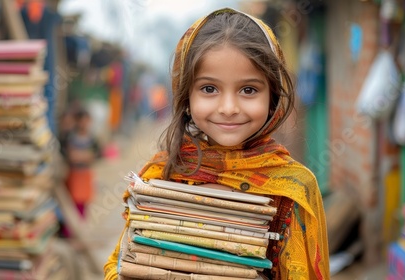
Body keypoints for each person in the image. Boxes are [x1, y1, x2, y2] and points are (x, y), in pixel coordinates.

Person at [104, 7, 330, 280]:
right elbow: (120, 263)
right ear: (186, 94)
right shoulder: (162, 174)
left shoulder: (292, 189)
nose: (228, 107)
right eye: (209, 89)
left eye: (248, 90)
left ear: (272, 95)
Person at [65, 108, 101, 220]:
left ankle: (81, 224)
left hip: (86, 174)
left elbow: (95, 155)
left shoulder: (92, 138)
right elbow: (71, 156)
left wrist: (80, 156)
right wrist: (84, 156)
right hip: (74, 174)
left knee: (84, 202)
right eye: (82, 121)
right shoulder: (71, 137)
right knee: (73, 202)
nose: (84, 124)